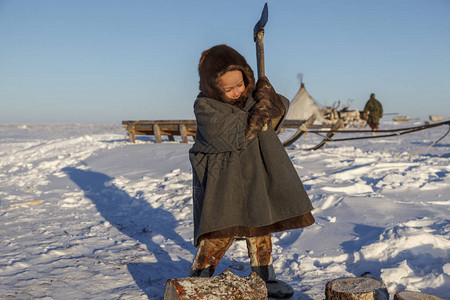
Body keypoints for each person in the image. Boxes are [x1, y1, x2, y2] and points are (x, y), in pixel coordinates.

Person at [188, 44, 315, 298]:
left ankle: (264, 279)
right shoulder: (205, 106)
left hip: (256, 175)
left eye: (241, 85)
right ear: (214, 87)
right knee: (220, 230)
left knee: (260, 227)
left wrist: (270, 101)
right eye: (229, 88)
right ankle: (198, 280)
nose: (237, 92)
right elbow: (229, 131)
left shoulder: (252, 99)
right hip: (225, 181)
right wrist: (254, 117)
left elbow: (271, 122)